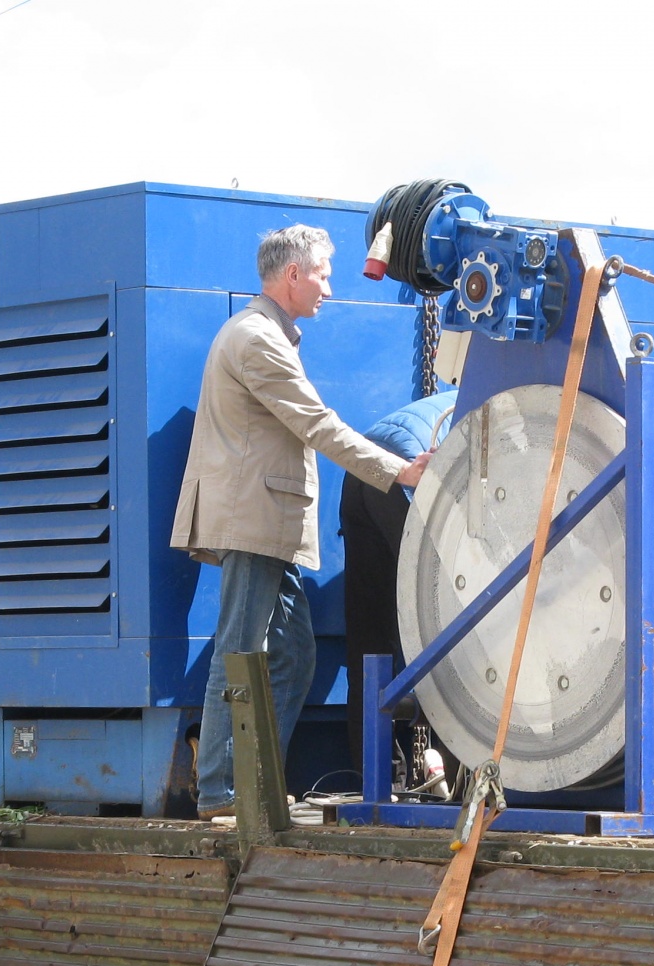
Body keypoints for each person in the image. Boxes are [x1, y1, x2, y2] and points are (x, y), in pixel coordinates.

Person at [171, 225, 429, 818]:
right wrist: (399, 472)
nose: (330, 289)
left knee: (292, 656)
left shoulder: (266, 335)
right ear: (293, 276)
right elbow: (318, 424)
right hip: (253, 519)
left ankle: (254, 783)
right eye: (323, 274)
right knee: (240, 649)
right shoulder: (257, 340)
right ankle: (221, 790)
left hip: (267, 521)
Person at [341, 392, 453, 770]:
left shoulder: (463, 394)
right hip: (409, 469)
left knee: (370, 633)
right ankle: (457, 769)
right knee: (452, 623)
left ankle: (370, 772)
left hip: (366, 465)